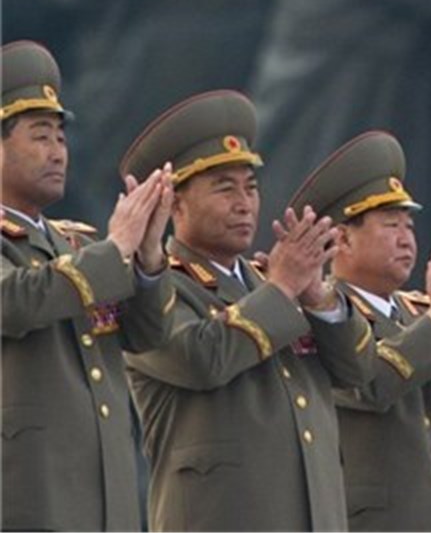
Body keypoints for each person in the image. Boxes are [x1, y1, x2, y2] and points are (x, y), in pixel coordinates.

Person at [119, 90, 376, 532]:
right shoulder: (149, 286)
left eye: (251, 188)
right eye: (225, 189)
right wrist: (282, 288)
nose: (244, 203)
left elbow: (358, 373)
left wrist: (319, 299)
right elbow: (200, 359)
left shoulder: (270, 282)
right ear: (174, 203)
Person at [287, 130, 431, 531]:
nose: (406, 239)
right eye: (391, 225)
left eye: (409, 226)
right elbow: (369, 385)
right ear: (342, 238)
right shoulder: (320, 315)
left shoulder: (417, 313)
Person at [1, 40, 174, 531]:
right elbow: (16, 302)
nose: (57, 152)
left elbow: (146, 336)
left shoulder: (77, 244)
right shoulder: (94, 253)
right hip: (26, 495)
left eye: (61, 137)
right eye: (40, 136)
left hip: (105, 494)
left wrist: (148, 257)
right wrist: (116, 249)